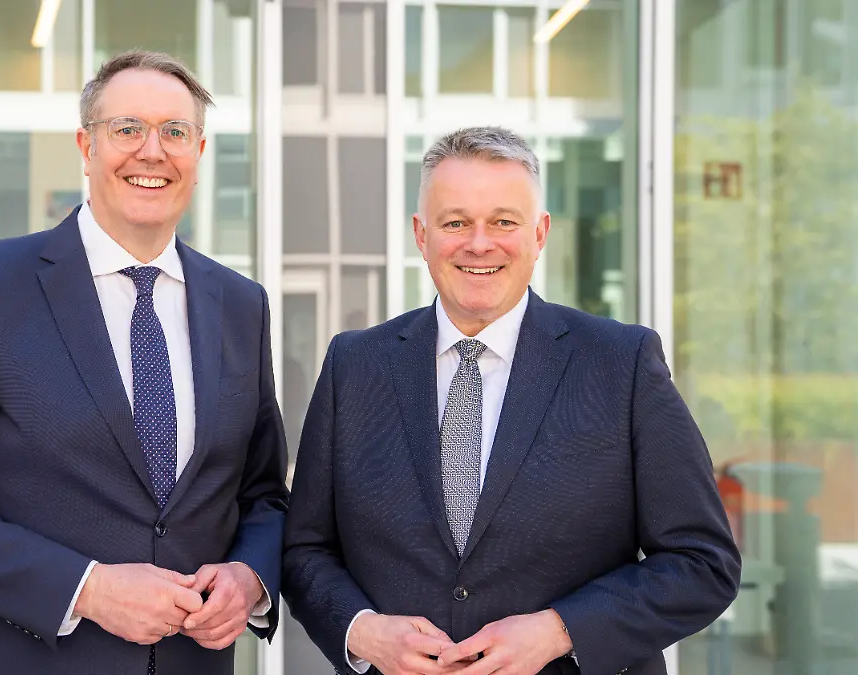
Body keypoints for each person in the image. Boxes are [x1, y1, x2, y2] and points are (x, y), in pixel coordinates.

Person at [0, 49, 289, 675]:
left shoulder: (240, 304)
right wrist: (87, 589)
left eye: (175, 132)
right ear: (85, 145)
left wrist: (249, 576)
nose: (152, 151)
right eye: (127, 129)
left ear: (199, 154)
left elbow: (261, 495)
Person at [281, 126, 740, 675]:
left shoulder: (620, 363)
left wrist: (561, 631)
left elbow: (701, 563)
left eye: (503, 221)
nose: (480, 243)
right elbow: (305, 551)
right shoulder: (354, 366)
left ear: (540, 233)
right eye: (455, 223)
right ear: (421, 236)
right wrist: (364, 631)